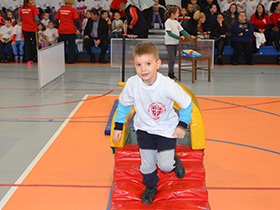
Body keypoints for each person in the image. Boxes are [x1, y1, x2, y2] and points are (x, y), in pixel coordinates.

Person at [112, 41, 193, 205]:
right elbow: (124, 105)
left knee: (165, 166)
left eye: (148, 64)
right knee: (147, 165)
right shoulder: (133, 84)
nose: (143, 69)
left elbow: (187, 104)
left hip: (166, 129)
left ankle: (173, 160)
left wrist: (182, 124)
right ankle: (150, 186)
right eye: (138, 65)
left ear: (158, 64)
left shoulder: (168, 85)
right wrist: (119, 126)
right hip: (144, 129)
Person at [164, 7, 195, 80]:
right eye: (177, 13)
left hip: (176, 42)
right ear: (172, 14)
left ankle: (172, 72)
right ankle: (170, 73)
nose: (179, 14)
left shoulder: (176, 22)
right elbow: (169, 33)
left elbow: (182, 31)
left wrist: (190, 36)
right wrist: (179, 37)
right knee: (171, 58)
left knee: (173, 58)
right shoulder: (168, 22)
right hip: (170, 43)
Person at [19, 0, 40, 66]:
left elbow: (20, 19)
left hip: (25, 28)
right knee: (35, 43)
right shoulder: (33, 7)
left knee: (27, 43)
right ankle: (36, 58)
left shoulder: (22, 8)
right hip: (32, 28)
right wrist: (40, 23)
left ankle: (28, 59)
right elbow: (36, 18)